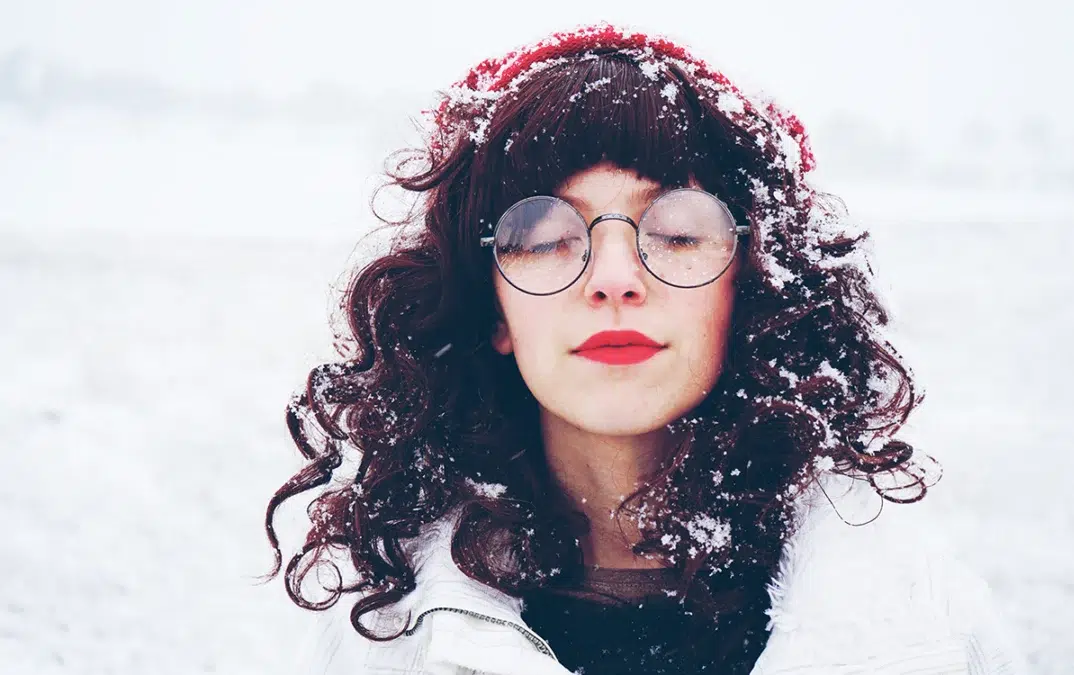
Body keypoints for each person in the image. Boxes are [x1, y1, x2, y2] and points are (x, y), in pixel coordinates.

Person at [264, 22, 1026, 675]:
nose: (615, 278)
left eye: (679, 230)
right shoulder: (382, 635)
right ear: (488, 306)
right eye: (545, 237)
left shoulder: (928, 626)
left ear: (749, 285)